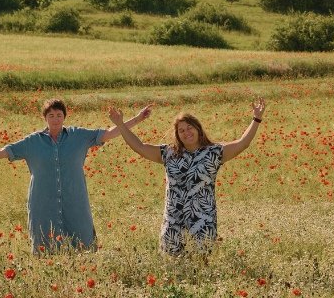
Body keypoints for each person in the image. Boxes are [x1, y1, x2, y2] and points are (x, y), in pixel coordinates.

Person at [0, 98, 152, 254]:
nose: (55, 119)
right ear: (45, 118)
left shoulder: (78, 135)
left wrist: (137, 118)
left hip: (75, 199)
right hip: (43, 201)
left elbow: (109, 133)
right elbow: (5, 151)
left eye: (59, 115)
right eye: (51, 115)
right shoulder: (32, 142)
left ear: (64, 117)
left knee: (82, 240)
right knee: (44, 244)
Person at [107, 98, 266, 255]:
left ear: (198, 129)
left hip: (202, 221)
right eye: (181, 130)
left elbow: (242, 143)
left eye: (189, 128)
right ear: (177, 135)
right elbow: (140, 147)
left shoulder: (213, 153)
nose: (186, 133)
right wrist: (120, 125)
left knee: (201, 267)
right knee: (173, 269)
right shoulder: (169, 153)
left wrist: (256, 119)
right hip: (173, 222)